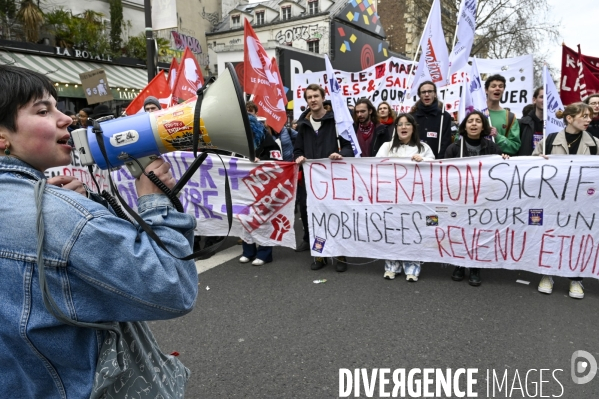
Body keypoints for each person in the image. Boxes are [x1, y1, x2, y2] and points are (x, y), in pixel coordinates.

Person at [0, 65, 198, 398]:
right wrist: (154, 201)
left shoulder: (53, 207)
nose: (65, 119)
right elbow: (173, 287)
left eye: (58, 107)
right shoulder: (61, 216)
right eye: (43, 111)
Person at [532, 102, 599, 299]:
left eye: (590, 116)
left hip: (583, 203)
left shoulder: (595, 143)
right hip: (554, 200)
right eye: (584, 116)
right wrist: (539, 160)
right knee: (551, 235)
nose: (589, 120)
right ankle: (547, 274)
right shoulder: (550, 140)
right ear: (570, 119)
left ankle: (576, 278)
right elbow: (531, 167)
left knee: (579, 238)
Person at [293, 83, 355, 271]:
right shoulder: (303, 126)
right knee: (313, 217)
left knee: (335, 215)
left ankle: (340, 255)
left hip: (333, 180)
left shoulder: (335, 122)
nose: (313, 100)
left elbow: (349, 147)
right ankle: (319, 255)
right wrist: (299, 157)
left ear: (322, 98)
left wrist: (340, 154)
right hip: (311, 181)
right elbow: (297, 150)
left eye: (316, 96)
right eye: (309, 97)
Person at [445, 110, 509, 286]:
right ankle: (459, 263)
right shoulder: (453, 148)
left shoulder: (493, 148)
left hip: (483, 198)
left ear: (483, 126)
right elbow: (444, 175)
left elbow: (502, 172)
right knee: (459, 231)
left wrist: (504, 159)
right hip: (459, 198)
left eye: (478, 121)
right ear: (464, 126)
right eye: (470, 121)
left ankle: (475, 267)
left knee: (478, 233)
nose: (474, 124)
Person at [375, 113, 434, 282]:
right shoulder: (387, 147)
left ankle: (412, 264)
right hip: (391, 197)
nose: (403, 127)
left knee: (412, 229)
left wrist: (423, 160)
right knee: (392, 229)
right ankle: (392, 264)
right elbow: (375, 167)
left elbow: (434, 168)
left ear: (413, 127)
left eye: (407, 124)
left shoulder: (423, 148)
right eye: (400, 124)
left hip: (414, 198)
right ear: (396, 128)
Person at [238, 114, 282, 266]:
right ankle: (248, 251)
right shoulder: (237, 140)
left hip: (263, 185)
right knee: (244, 218)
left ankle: (264, 253)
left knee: (264, 219)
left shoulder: (267, 139)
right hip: (244, 184)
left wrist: (261, 162)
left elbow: (277, 160)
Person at [410, 81, 453, 159]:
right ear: (419, 95)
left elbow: (446, 142)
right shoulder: (411, 117)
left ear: (435, 94)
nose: (427, 94)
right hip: (414, 161)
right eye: (423, 92)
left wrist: (439, 161)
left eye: (430, 91)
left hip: (436, 162)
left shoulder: (444, 116)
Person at [485, 74, 521, 155]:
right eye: (493, 86)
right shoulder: (474, 113)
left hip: (499, 164)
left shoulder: (510, 117)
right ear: (486, 90)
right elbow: (458, 139)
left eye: (501, 86)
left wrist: (497, 136)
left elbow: (514, 147)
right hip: (475, 163)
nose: (497, 88)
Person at [518, 87, 544, 156]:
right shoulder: (522, 123)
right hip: (527, 164)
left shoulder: (555, 125)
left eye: (548, 98)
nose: (545, 100)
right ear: (534, 100)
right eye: (542, 97)